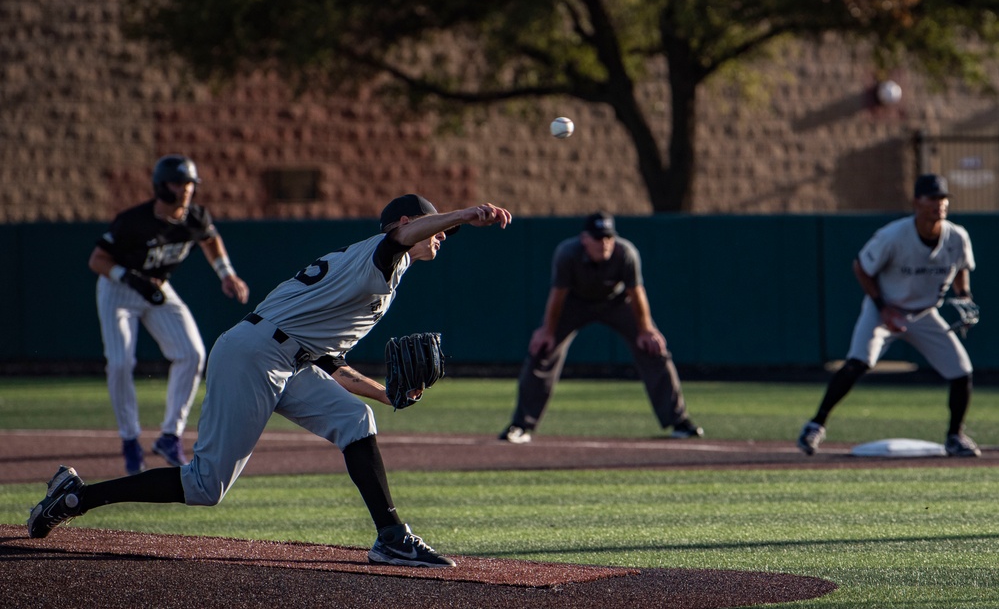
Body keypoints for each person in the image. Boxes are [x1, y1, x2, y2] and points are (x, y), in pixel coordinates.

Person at [30, 193, 512, 569]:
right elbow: (399, 240)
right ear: (406, 225)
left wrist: (385, 394)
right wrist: (466, 213)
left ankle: (391, 538)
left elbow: (329, 364)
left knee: (354, 417)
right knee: (205, 485)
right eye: (435, 227)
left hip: (285, 356)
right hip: (254, 355)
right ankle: (77, 496)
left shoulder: (371, 270)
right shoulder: (379, 256)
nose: (443, 236)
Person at [88, 155, 250, 475]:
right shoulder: (133, 221)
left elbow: (210, 238)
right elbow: (97, 260)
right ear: (161, 186)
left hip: (157, 287)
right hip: (118, 288)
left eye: (189, 183)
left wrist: (226, 273)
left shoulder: (195, 217)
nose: (186, 190)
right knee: (120, 363)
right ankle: (130, 440)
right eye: (179, 183)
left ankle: (170, 435)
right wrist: (131, 278)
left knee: (192, 354)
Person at [797, 174, 979, 457]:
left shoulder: (957, 237)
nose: (939, 204)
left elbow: (962, 267)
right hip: (884, 309)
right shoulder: (894, 235)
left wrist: (964, 295)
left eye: (943, 198)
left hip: (924, 313)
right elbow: (861, 267)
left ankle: (955, 436)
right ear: (916, 202)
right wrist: (883, 307)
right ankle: (815, 424)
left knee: (961, 372)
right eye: (932, 198)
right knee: (858, 362)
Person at [499, 211, 702, 444]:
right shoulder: (568, 253)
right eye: (598, 238)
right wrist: (547, 330)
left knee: (653, 349)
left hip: (615, 303)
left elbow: (636, 293)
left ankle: (679, 421)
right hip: (574, 303)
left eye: (608, 238)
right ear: (585, 239)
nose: (604, 244)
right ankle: (521, 425)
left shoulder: (626, 253)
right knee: (543, 349)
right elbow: (557, 295)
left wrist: (646, 330)